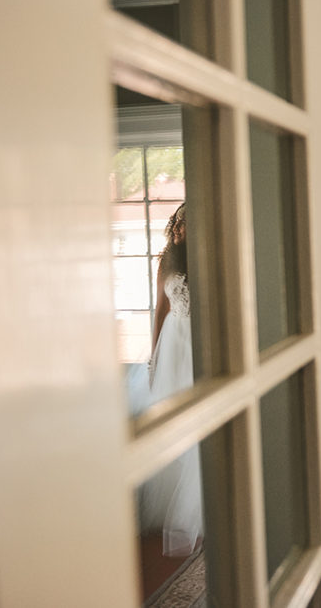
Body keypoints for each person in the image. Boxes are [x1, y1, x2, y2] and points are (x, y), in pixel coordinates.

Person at [139, 203, 204, 557]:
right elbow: (160, 311)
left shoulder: (210, 255)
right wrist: (153, 357)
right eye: (178, 223)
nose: (180, 229)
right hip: (174, 346)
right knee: (175, 424)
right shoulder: (167, 261)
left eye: (187, 223)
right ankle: (176, 511)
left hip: (201, 345)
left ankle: (201, 508)